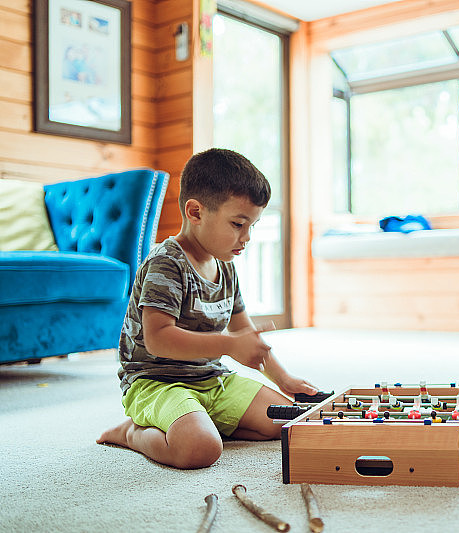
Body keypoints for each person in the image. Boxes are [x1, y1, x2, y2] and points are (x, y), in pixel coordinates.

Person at [97, 148, 316, 469]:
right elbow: (159, 339)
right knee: (200, 449)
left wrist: (284, 379)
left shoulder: (225, 266)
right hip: (156, 382)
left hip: (210, 379)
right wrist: (228, 345)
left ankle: (199, 420)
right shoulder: (166, 263)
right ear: (195, 212)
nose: (247, 237)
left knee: (285, 421)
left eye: (253, 225)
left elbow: (246, 336)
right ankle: (132, 433)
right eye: (238, 224)